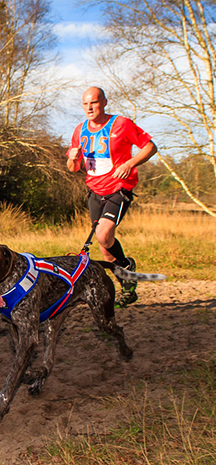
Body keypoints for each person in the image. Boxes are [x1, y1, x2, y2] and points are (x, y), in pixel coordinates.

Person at [66, 86, 157, 308]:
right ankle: (128, 287)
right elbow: (73, 167)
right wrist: (72, 158)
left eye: (94, 103)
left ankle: (127, 265)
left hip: (118, 188)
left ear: (104, 102)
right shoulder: (79, 130)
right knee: (105, 248)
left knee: (103, 233)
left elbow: (150, 147)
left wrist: (130, 163)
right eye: (85, 103)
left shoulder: (121, 124)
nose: (89, 107)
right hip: (94, 191)